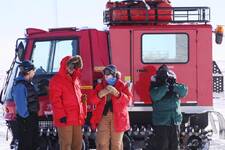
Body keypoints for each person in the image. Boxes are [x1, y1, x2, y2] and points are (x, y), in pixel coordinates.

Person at [90, 64, 132, 150]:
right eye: (105, 74)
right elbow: (92, 101)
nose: (105, 76)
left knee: (116, 145)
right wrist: (100, 94)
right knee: (102, 143)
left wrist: (118, 94)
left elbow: (128, 101)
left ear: (113, 74)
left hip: (118, 117)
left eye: (108, 74)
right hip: (103, 117)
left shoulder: (122, 85)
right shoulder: (100, 86)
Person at [49, 55, 87, 150]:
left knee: (78, 145)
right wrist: (61, 115)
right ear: (64, 66)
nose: (72, 69)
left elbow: (78, 99)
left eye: (74, 67)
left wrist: (83, 112)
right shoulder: (56, 80)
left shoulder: (76, 80)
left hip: (77, 118)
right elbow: (55, 100)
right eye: (70, 66)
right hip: (65, 118)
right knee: (66, 145)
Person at [149, 64, 188, 150]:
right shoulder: (155, 86)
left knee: (175, 145)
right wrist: (165, 87)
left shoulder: (174, 85)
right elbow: (155, 96)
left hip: (174, 121)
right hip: (161, 122)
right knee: (163, 145)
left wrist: (173, 86)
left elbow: (184, 91)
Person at [12, 60, 39, 150]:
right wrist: (27, 118)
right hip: (26, 120)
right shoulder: (20, 86)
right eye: (33, 70)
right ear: (28, 71)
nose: (34, 72)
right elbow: (21, 105)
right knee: (25, 144)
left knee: (32, 144)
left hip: (31, 118)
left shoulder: (28, 84)